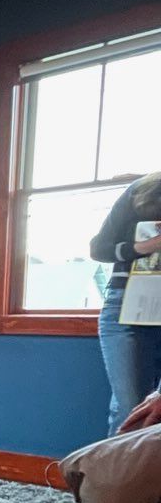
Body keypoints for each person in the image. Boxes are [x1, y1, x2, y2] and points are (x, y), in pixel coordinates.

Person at [90, 172, 161, 436]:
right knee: (133, 406)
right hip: (128, 308)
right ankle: (118, 477)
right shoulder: (143, 190)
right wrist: (146, 247)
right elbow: (99, 248)